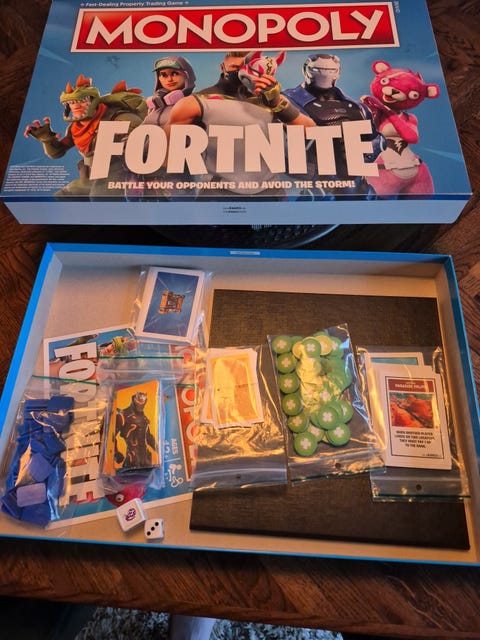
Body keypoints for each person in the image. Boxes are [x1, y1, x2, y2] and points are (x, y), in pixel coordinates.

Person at [164, 51, 315, 199]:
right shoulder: (195, 102)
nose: (242, 73)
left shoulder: (271, 99)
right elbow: (166, 152)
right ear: (222, 67)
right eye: (236, 68)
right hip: (218, 191)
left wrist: (277, 104)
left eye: (248, 68)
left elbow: (310, 131)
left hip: (270, 190)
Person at [283, 53, 385, 198]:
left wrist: (361, 157)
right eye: (318, 70)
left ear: (338, 72)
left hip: (356, 184)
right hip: (314, 184)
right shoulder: (287, 100)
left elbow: (377, 141)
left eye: (330, 70)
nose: (324, 74)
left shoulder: (357, 108)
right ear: (306, 70)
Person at [143, 56, 196, 127]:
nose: (169, 79)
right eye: (163, 75)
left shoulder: (195, 104)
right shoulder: (155, 105)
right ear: (158, 78)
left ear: (187, 75)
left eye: (175, 74)